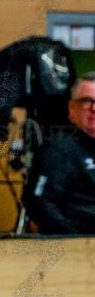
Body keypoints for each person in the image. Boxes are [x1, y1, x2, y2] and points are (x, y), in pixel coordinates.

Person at [23, 72, 95, 235]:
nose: (94, 109)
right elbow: (39, 203)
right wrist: (75, 239)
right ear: (72, 108)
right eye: (86, 101)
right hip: (76, 241)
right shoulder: (58, 149)